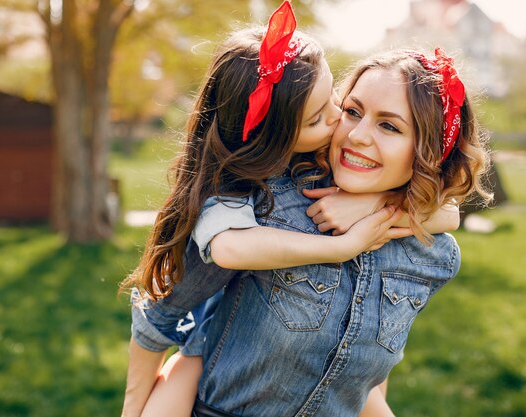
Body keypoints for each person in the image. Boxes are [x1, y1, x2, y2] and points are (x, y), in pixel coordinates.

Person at [121, 3, 490, 417]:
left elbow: (360, 373)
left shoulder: (432, 255)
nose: (354, 135)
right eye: (352, 111)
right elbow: (165, 309)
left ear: (429, 151)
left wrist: (379, 205)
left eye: (389, 126)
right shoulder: (264, 204)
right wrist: (136, 405)